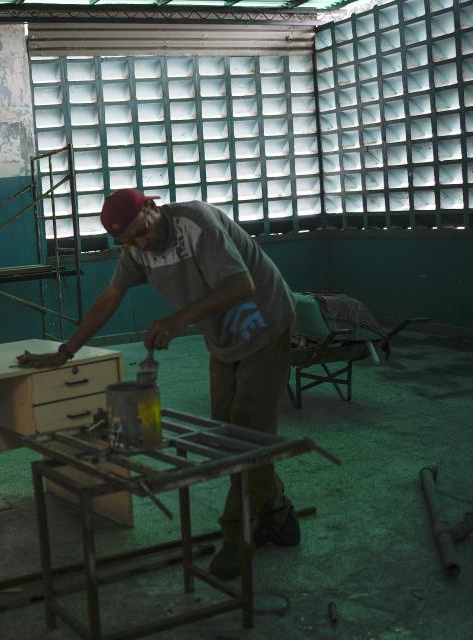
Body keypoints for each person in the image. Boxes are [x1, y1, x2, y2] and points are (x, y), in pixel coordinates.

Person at [17, 189, 299, 580]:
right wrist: (66, 352)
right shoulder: (136, 250)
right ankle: (277, 510)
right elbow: (110, 296)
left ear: (152, 207)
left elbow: (241, 285)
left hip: (264, 324)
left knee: (248, 433)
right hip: (223, 339)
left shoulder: (197, 224)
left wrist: (177, 319)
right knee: (228, 435)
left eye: (141, 232)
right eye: (129, 241)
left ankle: (238, 537)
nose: (139, 244)